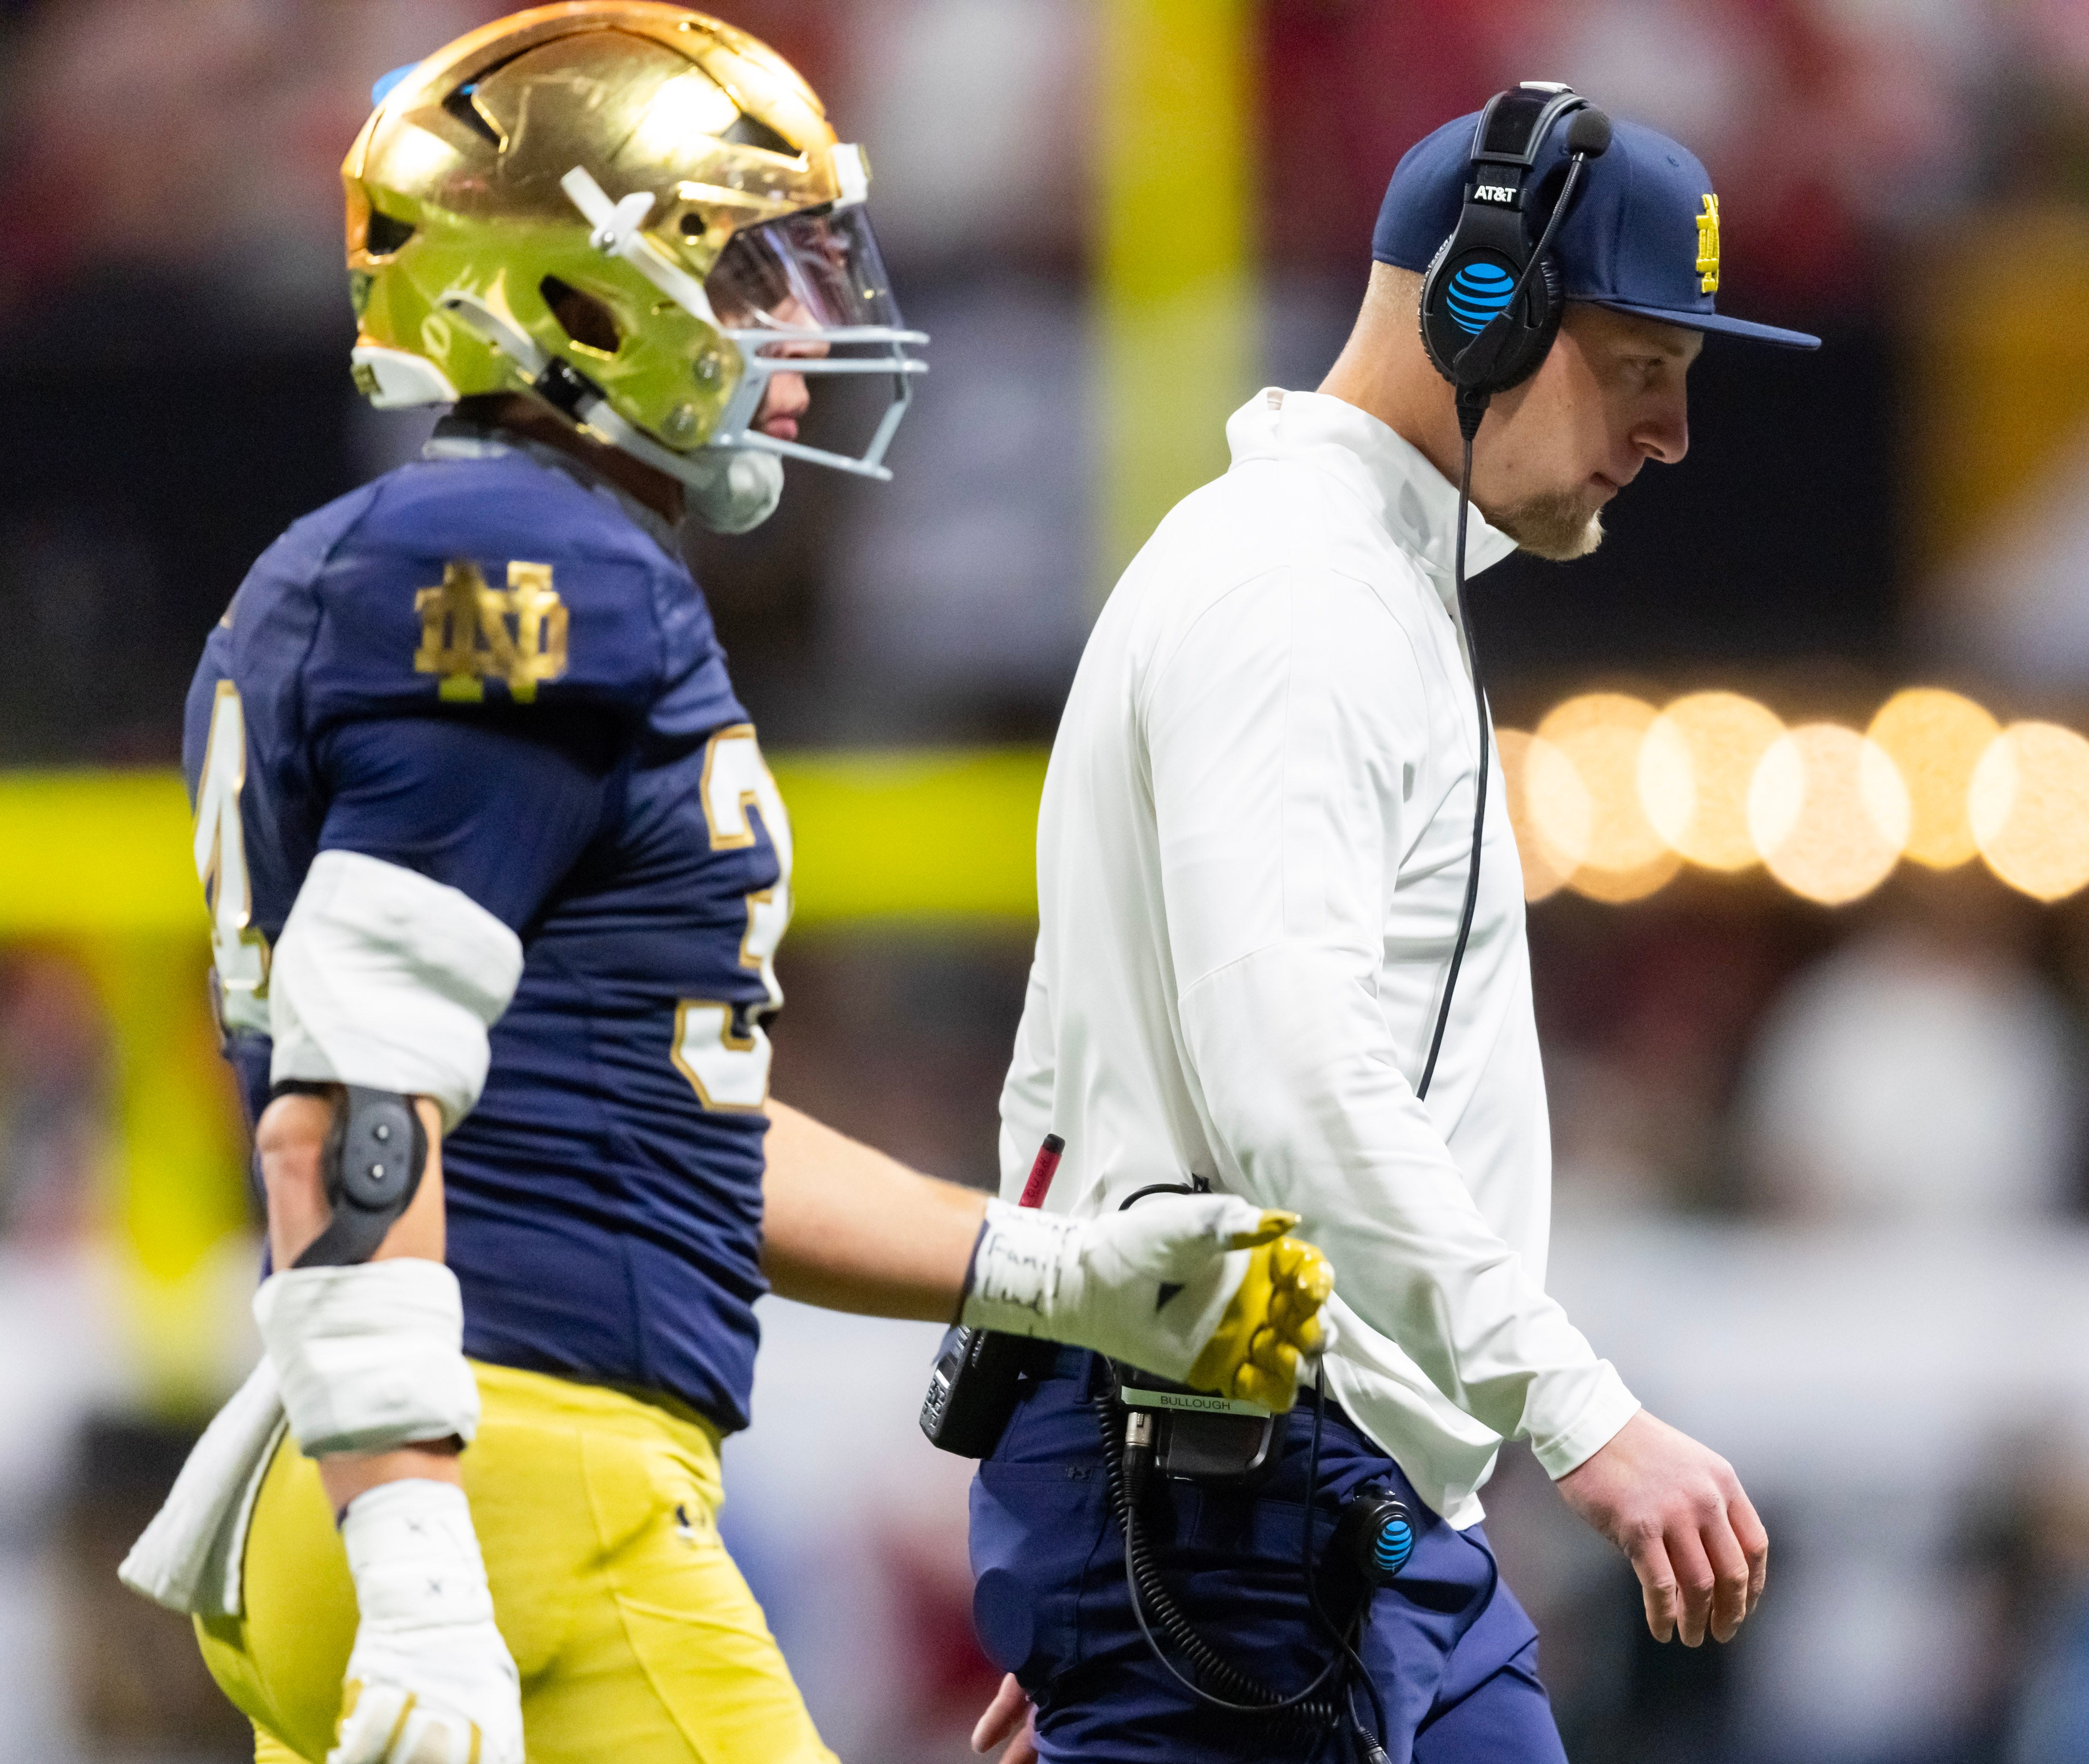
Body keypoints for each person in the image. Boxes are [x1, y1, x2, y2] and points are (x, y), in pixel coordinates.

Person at [115, 10, 1332, 1764]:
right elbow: (351, 1092)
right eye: (752, 269)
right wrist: (424, 1561)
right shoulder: (535, 567)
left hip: (398, 1471)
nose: (808, 325)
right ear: (582, 295)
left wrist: (1057, 1274)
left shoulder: (395, 567)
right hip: (506, 1482)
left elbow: (667, 1126)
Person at [966, 86, 1818, 1763]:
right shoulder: (1307, 597)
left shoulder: (1346, 577)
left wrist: (1109, 1569)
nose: (1671, 434)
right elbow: (1291, 1076)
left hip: (1278, 1495)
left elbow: (1081, 1059)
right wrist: (1583, 1416)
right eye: (1640, 366)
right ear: (1479, 305)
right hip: (1242, 1482)